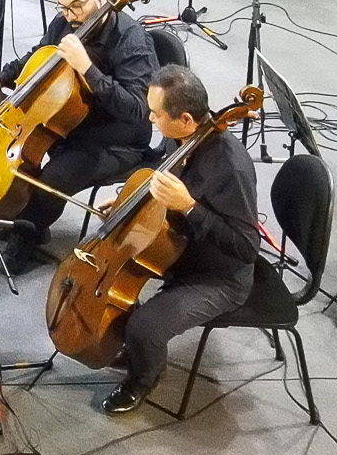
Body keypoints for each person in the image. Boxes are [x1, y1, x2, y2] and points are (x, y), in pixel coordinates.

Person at [96, 65, 260, 415]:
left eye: (156, 114)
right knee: (121, 298)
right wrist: (129, 200)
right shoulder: (180, 137)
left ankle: (143, 380)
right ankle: (140, 350)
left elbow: (247, 248)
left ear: (185, 119)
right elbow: (162, 176)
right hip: (179, 248)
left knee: (144, 326)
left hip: (219, 277)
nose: (150, 119)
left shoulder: (230, 167)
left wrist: (189, 207)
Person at [0, 0, 156, 252]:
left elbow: (137, 109)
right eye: (63, 7)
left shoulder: (131, 40)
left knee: (55, 177)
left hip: (113, 140)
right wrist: (2, 78)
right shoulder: (64, 23)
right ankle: (20, 211)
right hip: (65, 123)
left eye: (76, 6)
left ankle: (27, 234)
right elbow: (40, 56)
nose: (69, 15)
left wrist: (87, 68)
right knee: (23, 156)